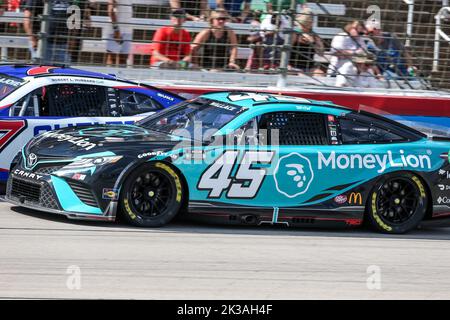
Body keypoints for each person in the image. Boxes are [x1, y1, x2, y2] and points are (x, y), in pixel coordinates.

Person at [290, 7, 324, 75]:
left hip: (309, 67)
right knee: (300, 75)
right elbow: (287, 50)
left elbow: (321, 53)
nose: (302, 26)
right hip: (293, 66)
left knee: (320, 74)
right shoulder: (295, 34)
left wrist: (313, 43)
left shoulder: (315, 36)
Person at [106, 0, 132, 67]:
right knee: (112, 59)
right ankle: (109, 77)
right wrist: (116, 30)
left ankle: (121, 77)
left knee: (123, 60)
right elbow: (110, 10)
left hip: (127, 30)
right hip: (115, 31)